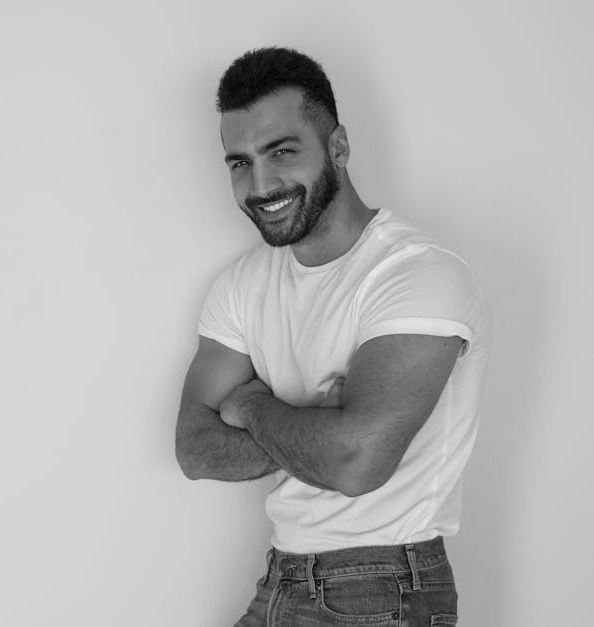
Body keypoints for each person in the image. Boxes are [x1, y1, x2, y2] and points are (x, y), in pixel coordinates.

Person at [175, 47, 488, 626]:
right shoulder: (242, 285)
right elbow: (194, 449)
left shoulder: (417, 274)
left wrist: (250, 405)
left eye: (282, 152)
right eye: (239, 162)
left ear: (338, 148)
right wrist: (312, 425)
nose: (260, 183)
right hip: (280, 577)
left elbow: (355, 462)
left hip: (383, 586)